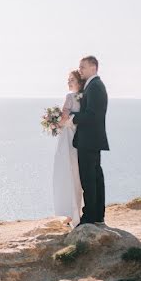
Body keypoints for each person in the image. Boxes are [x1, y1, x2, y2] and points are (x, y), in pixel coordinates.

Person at [62, 55, 109, 226]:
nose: (80, 70)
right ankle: (97, 215)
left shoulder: (95, 86)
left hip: (89, 140)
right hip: (91, 139)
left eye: (83, 67)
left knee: (89, 179)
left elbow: (92, 115)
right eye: (80, 67)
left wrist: (72, 118)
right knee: (94, 178)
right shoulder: (92, 86)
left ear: (93, 68)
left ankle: (90, 216)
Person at [52, 70, 84, 227]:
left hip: (68, 141)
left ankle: (72, 214)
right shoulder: (85, 97)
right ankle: (77, 212)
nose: (69, 82)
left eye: (71, 79)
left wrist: (54, 123)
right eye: (68, 80)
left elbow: (64, 118)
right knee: (77, 176)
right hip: (80, 139)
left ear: (78, 81)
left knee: (68, 174)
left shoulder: (70, 97)